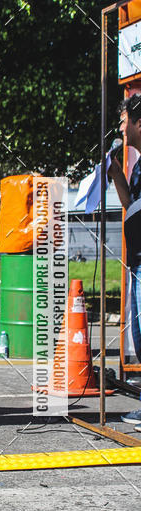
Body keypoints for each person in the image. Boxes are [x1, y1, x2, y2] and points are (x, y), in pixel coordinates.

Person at [108, 93, 141, 425]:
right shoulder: (138, 165)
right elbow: (131, 203)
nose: (120, 128)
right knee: (139, 333)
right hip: (137, 259)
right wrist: (116, 173)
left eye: (122, 121)